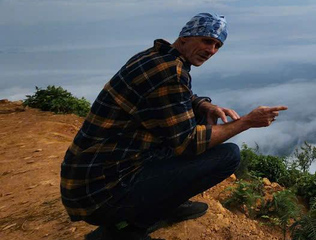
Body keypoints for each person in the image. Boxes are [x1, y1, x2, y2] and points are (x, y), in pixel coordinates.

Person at [60, 13, 287, 240]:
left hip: (88, 178)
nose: (212, 50)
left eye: (218, 45)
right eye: (207, 41)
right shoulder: (171, 72)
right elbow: (188, 144)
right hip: (101, 193)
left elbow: (175, 99)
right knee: (229, 155)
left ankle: (162, 205)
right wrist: (247, 121)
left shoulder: (155, 57)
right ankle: (126, 229)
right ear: (186, 36)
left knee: (197, 117)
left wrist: (204, 105)